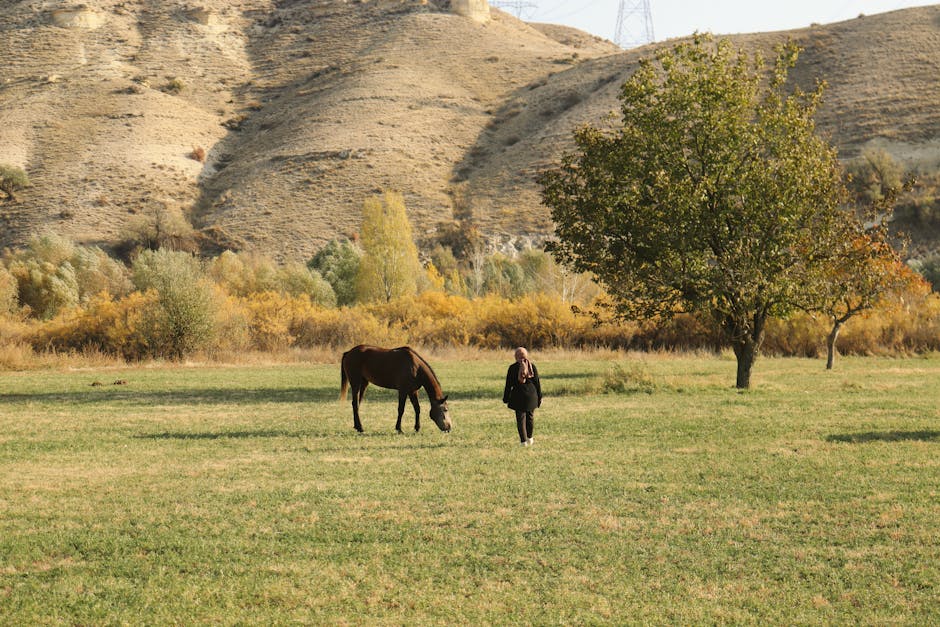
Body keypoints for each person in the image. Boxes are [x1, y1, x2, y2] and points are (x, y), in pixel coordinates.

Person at [503, 347, 542, 446]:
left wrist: (506, 398)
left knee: (520, 419)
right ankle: (530, 438)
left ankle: (523, 441)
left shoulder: (512, 368)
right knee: (530, 417)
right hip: (531, 396)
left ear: (516, 357)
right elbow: (537, 384)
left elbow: (508, 385)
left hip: (518, 396)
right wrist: (539, 398)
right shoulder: (532, 366)